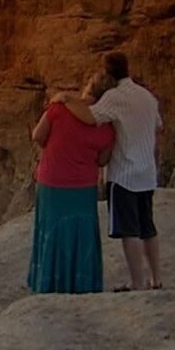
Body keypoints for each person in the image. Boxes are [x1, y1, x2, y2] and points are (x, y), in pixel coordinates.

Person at [52, 52, 163, 291]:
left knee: (129, 231)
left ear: (107, 71)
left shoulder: (115, 97)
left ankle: (137, 283)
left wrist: (66, 99)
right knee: (148, 227)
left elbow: (91, 117)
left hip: (124, 174)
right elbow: (157, 127)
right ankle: (156, 278)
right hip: (147, 173)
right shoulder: (147, 97)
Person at [27, 72, 116, 294]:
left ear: (88, 89)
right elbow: (103, 159)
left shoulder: (58, 109)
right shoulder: (107, 127)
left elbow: (38, 136)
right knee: (81, 234)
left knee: (51, 232)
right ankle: (82, 285)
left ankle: (48, 284)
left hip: (51, 181)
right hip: (82, 188)